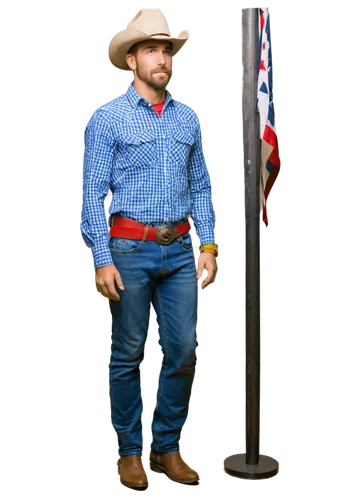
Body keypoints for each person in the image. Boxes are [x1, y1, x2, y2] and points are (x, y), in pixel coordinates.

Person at [79, 5, 220, 492]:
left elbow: (201, 185)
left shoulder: (188, 119)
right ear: (131, 62)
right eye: (150, 50)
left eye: (166, 50)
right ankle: (130, 452)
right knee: (129, 350)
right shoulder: (108, 117)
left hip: (182, 248)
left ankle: (167, 447)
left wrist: (208, 244)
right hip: (128, 251)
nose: (161, 58)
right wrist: (100, 257)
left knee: (183, 349)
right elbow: (92, 192)